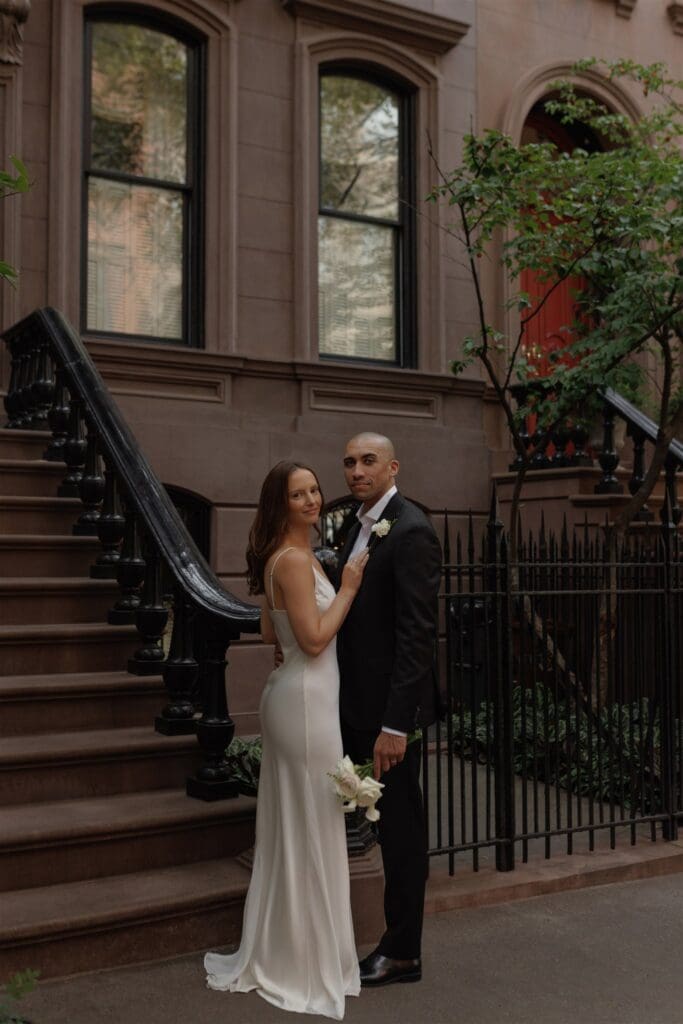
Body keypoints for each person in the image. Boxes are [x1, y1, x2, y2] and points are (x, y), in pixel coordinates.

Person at [204, 460, 368, 1020]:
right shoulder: (297, 560)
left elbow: (274, 632)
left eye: (315, 490)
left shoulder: (286, 557)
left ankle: (293, 949)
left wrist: (300, 634)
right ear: (280, 503)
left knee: (299, 824)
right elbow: (317, 641)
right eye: (299, 494)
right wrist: (346, 589)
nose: (312, 500)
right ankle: (303, 961)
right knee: (311, 823)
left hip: (299, 696)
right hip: (305, 703)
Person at [336, 432, 441, 987]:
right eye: (350, 462)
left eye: (368, 460)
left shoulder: (412, 531)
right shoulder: (357, 524)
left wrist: (395, 726)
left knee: (400, 832)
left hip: (388, 720)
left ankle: (403, 950)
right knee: (368, 824)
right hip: (353, 707)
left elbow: (417, 637)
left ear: (392, 466)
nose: (357, 470)